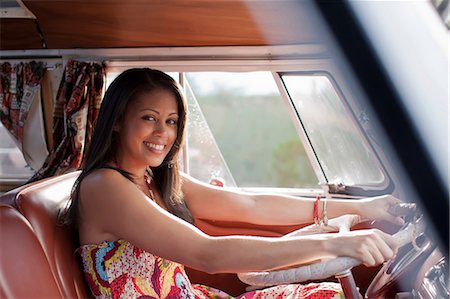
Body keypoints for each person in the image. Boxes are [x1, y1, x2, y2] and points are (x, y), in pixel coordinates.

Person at [62, 68, 402, 299]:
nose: (162, 133)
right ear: (118, 121)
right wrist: (337, 245)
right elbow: (206, 254)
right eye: (148, 118)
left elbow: (249, 205)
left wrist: (360, 207)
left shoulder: (151, 179)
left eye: (171, 121)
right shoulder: (103, 186)